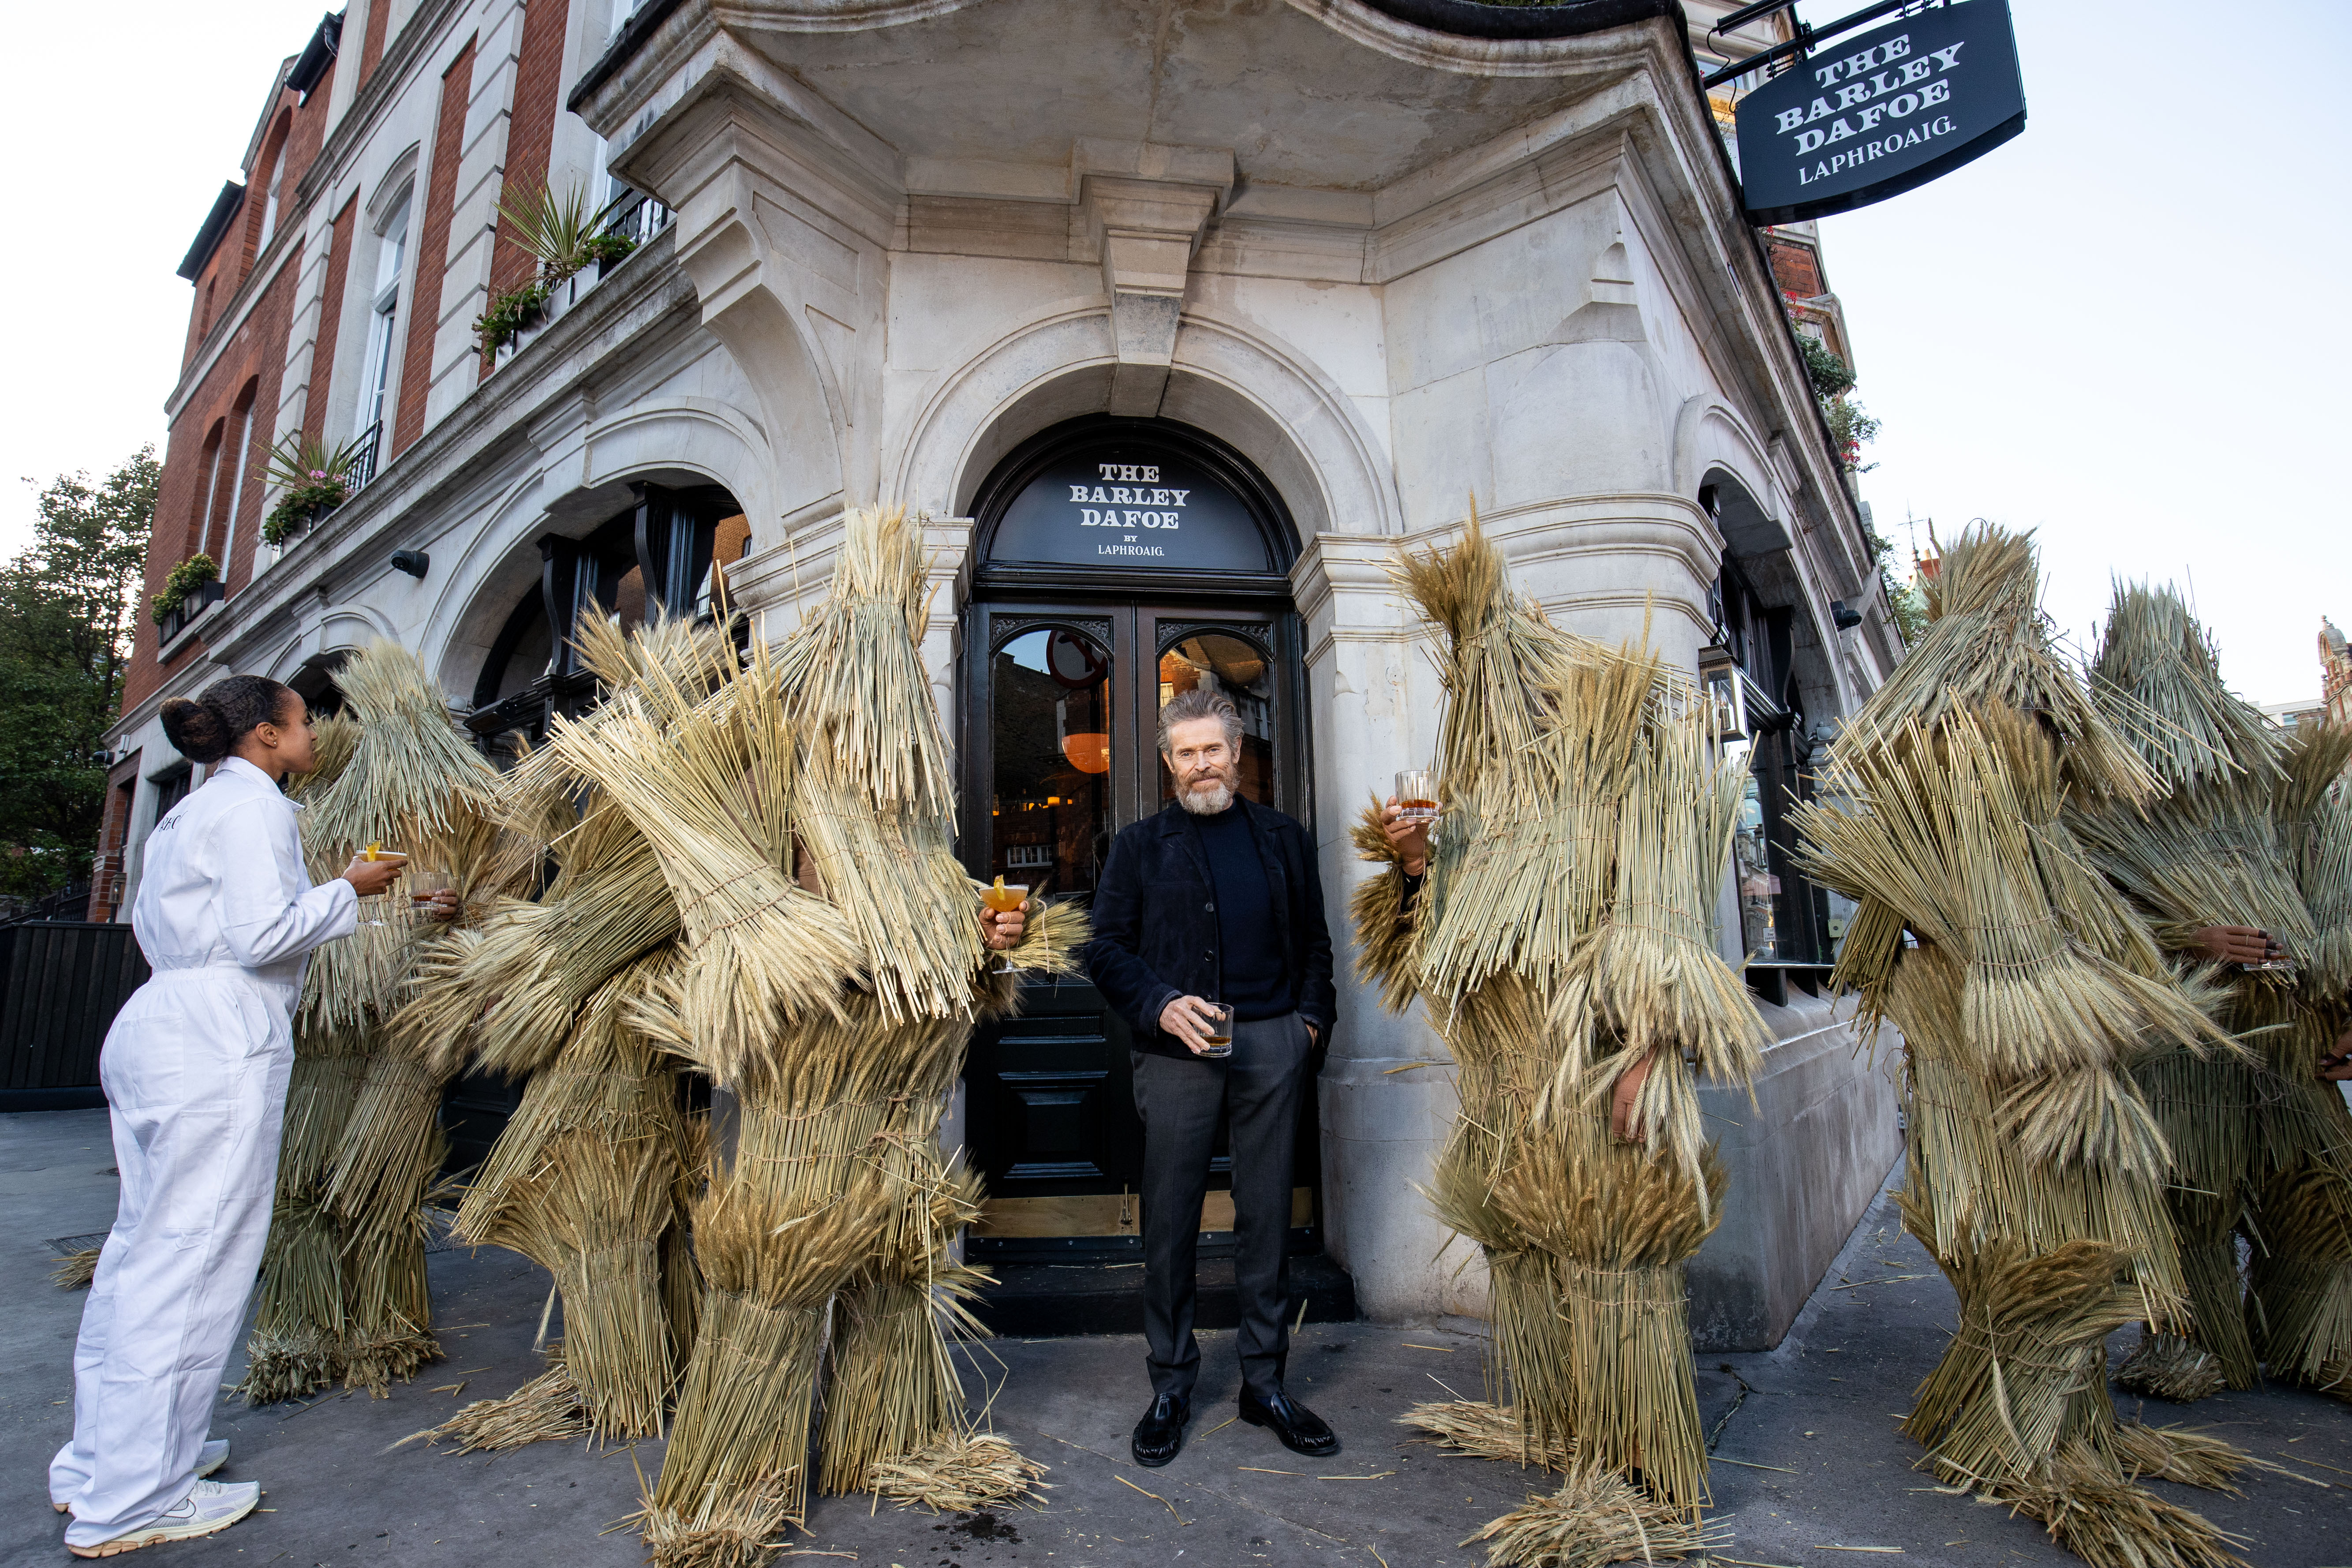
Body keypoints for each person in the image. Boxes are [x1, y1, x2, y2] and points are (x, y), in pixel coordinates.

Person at [49, 677, 416, 1558]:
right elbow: (259, 936)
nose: (314, 735)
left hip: (160, 1024)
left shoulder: (189, 812)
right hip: (215, 1036)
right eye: (300, 722)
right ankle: (136, 1498)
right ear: (263, 736)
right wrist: (353, 887)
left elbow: (197, 921)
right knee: (193, 1260)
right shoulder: (256, 810)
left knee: (143, 1251)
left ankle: (108, 1459)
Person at [1084, 689, 1337, 1469]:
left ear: (1237, 753)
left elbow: (1318, 947)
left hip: (1271, 1043)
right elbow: (1104, 949)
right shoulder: (1137, 845)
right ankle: (1169, 1385)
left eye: (1213, 750)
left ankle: (1264, 1385)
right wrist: (1159, 1007)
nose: (1201, 765)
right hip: (1178, 1053)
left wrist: (1307, 1026)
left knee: (1267, 1218)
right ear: (1168, 765)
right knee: (1171, 1222)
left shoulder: (1285, 839)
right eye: (1185, 753)